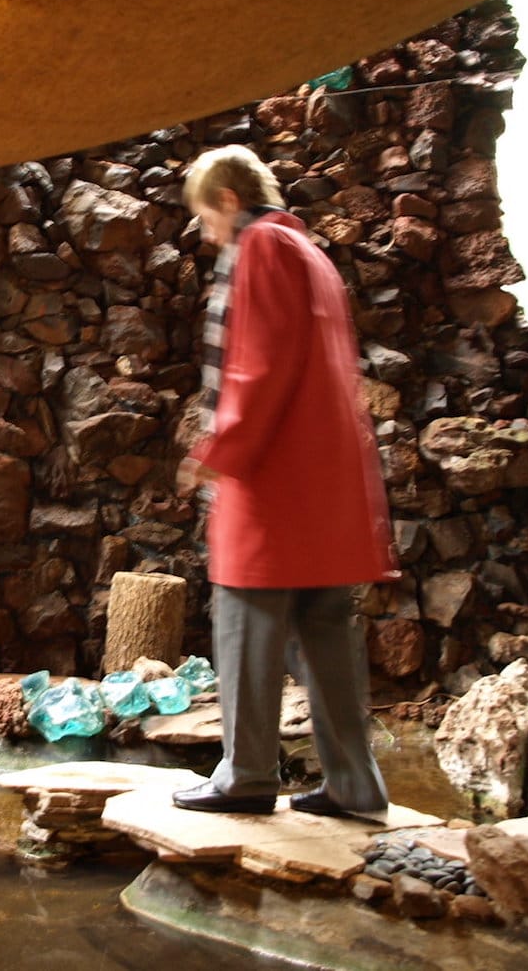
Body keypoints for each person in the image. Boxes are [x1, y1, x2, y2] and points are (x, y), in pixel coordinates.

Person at [171, 144, 399, 819]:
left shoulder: (263, 248)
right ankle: (356, 784)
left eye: (206, 218)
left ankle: (245, 776)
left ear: (229, 200)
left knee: (244, 624)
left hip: (274, 481)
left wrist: (220, 449)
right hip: (324, 484)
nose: (208, 234)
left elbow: (259, 365)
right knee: (327, 633)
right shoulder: (313, 254)